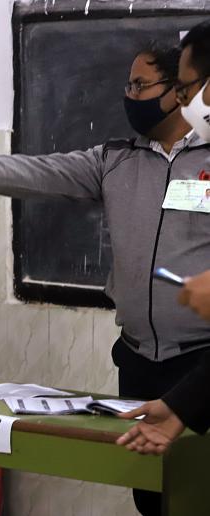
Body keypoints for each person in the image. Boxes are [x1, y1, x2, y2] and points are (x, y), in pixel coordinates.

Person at [0, 44, 208, 516]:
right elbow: (39, 173)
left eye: (140, 86)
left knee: (199, 500)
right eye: (127, 85)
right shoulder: (115, 160)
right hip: (140, 363)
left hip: (202, 362)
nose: (128, 96)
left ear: (180, 92)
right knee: (155, 501)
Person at [117, 20, 210, 456]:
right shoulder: (118, 159)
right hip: (156, 374)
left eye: (189, 91)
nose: (186, 104)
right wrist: (180, 408)